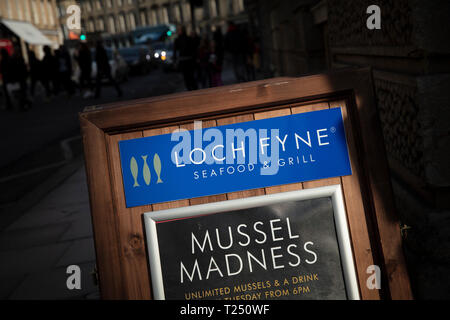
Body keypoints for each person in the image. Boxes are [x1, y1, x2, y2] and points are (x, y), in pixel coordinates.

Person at [174, 26, 198, 91]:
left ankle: (193, 90)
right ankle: (191, 90)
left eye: (179, 30)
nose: (178, 31)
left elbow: (193, 49)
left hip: (189, 61)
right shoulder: (177, 40)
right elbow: (175, 51)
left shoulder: (188, 39)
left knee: (191, 77)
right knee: (186, 78)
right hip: (184, 61)